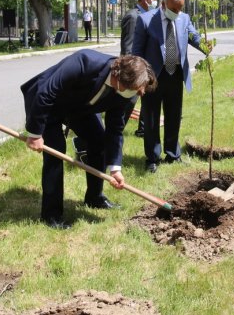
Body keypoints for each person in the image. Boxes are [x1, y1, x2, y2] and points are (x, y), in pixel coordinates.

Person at [21, 50, 157, 228]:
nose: (138, 94)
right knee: (56, 152)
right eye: (135, 89)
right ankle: (51, 215)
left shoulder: (125, 92)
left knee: (98, 142)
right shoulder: (84, 61)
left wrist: (115, 168)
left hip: (78, 108)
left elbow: (115, 129)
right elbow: (47, 91)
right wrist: (35, 134)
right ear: (119, 78)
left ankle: (95, 197)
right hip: (48, 104)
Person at [132, 0, 207, 173]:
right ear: (164, 4)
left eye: (180, 9)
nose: (177, 13)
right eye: (174, 9)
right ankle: (152, 158)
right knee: (150, 119)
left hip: (175, 75)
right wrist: (140, 79)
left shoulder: (184, 18)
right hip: (152, 78)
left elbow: (193, 36)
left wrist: (206, 46)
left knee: (174, 116)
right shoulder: (146, 20)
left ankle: (173, 154)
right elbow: (137, 53)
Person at [120, 0, 158, 137]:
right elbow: (127, 47)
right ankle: (116, 130)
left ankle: (142, 129)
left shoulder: (148, 16)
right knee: (129, 101)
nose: (156, 2)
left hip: (146, 68)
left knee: (147, 99)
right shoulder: (133, 16)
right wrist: (132, 71)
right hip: (134, 69)